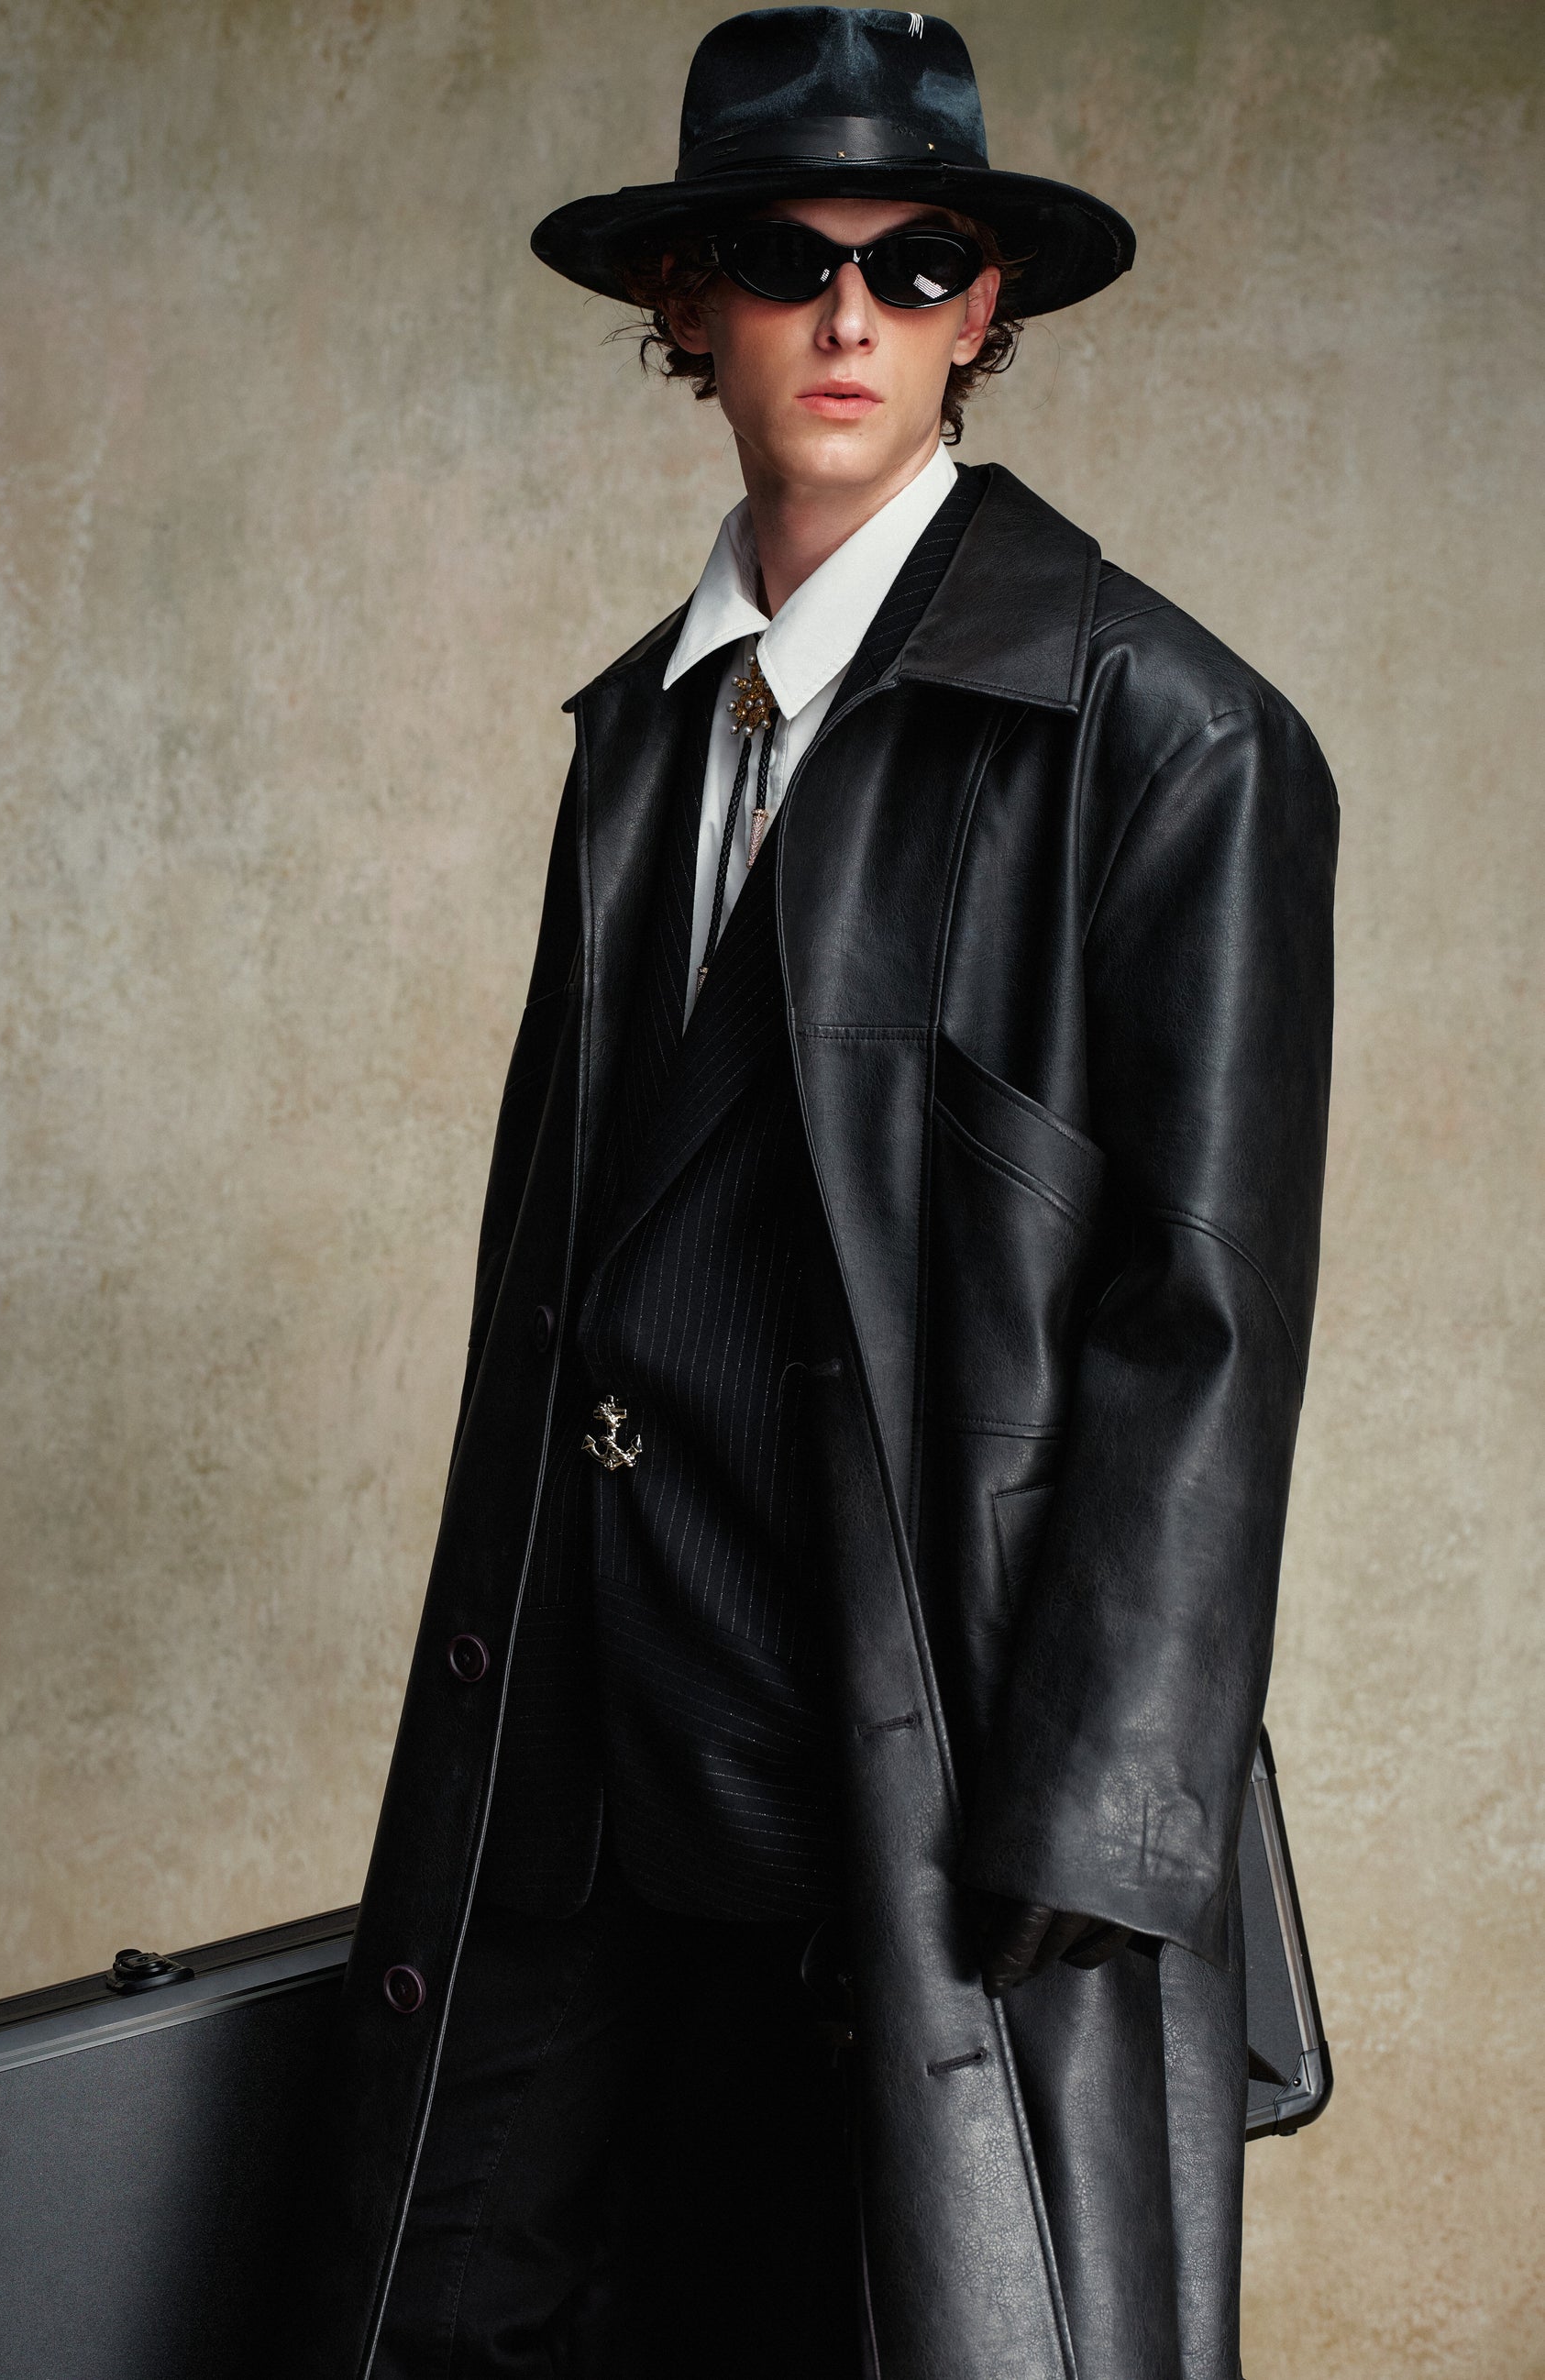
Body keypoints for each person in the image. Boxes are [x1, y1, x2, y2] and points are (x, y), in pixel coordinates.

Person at [314, 13, 1337, 2378]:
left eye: (918, 260)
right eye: (785, 259)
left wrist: (1096, 1829)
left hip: (935, 1803)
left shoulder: (1170, 734)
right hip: (602, 1778)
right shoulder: (640, 737)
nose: (850, 312)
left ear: (989, 308)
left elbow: (1207, 1323)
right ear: (689, 304)